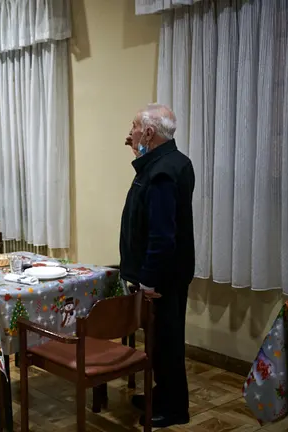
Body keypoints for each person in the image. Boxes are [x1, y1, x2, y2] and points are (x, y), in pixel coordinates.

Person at [120, 104, 195, 427]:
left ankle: (174, 408)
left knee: (166, 343)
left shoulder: (162, 172)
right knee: (160, 340)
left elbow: (162, 236)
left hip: (162, 278)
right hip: (169, 273)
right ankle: (161, 395)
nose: (130, 132)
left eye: (135, 127)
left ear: (149, 133)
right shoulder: (169, 162)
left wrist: (148, 281)